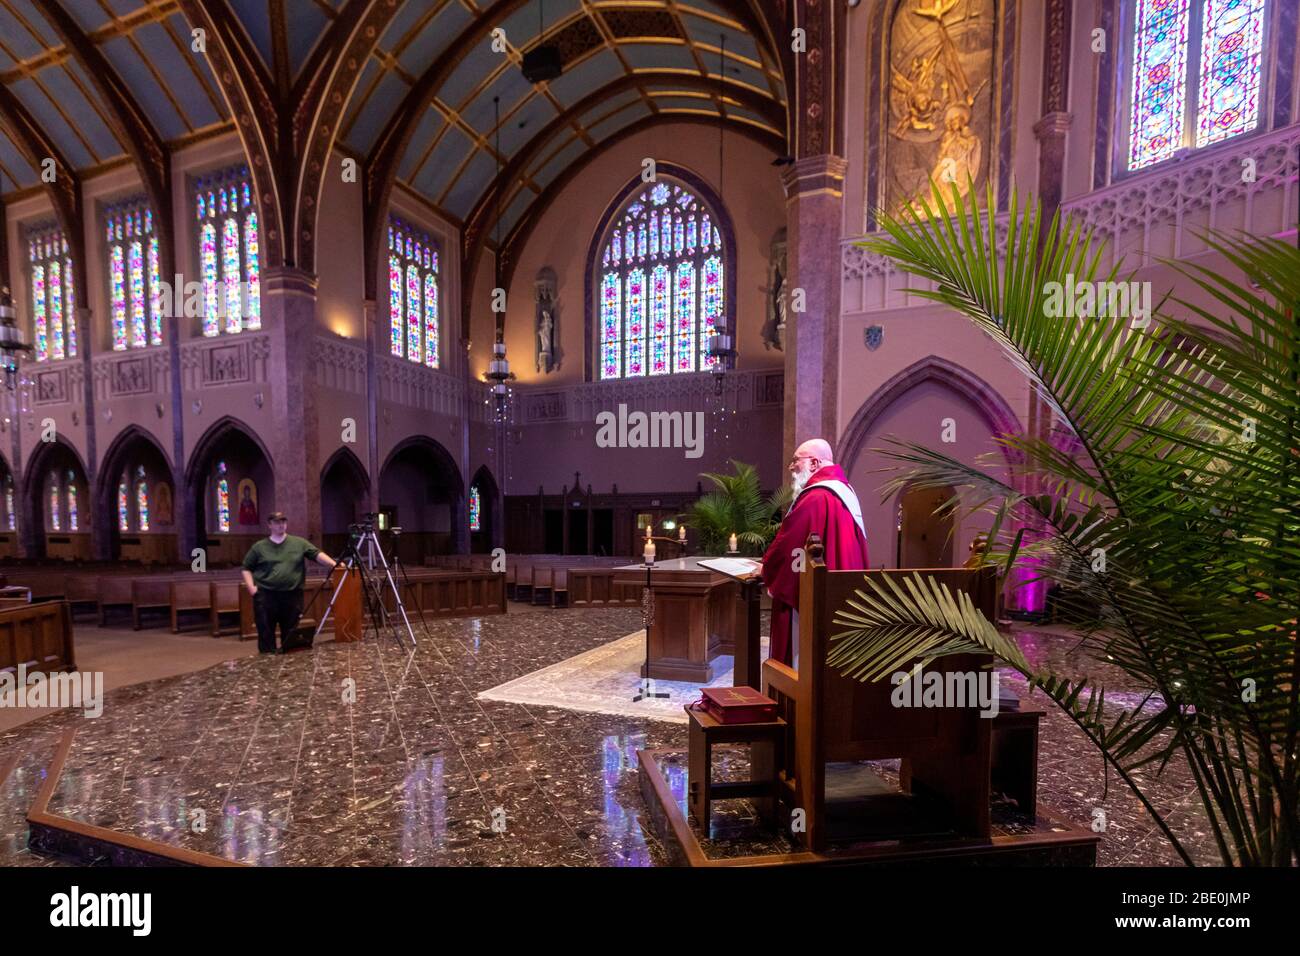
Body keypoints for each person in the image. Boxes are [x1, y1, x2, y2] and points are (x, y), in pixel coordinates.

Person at [760, 439, 870, 666]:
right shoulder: (845, 492)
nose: (791, 467)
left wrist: (767, 567)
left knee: (805, 662)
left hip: (813, 598)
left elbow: (788, 546)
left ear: (814, 463)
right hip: (840, 593)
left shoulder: (816, 497)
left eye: (795, 461)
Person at [241, 511, 337, 654]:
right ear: (270, 525)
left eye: (284, 522)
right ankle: (267, 665)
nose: (281, 525)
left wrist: (335, 564)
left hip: (292, 595)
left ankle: (288, 667)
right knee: (266, 633)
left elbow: (316, 554)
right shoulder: (259, 547)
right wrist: (251, 588)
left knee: (291, 633)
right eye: (277, 522)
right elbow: (246, 568)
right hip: (266, 595)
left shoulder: (299, 543)